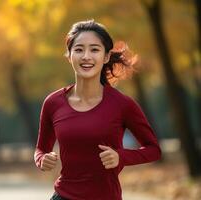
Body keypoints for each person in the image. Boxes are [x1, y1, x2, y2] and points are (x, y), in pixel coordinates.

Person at [34, 19, 161, 200]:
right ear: (69, 55)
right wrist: (42, 159)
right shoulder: (53, 103)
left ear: (106, 56)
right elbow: (40, 149)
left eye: (94, 49)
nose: (86, 56)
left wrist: (121, 156)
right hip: (63, 196)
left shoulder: (122, 104)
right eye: (78, 49)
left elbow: (153, 149)